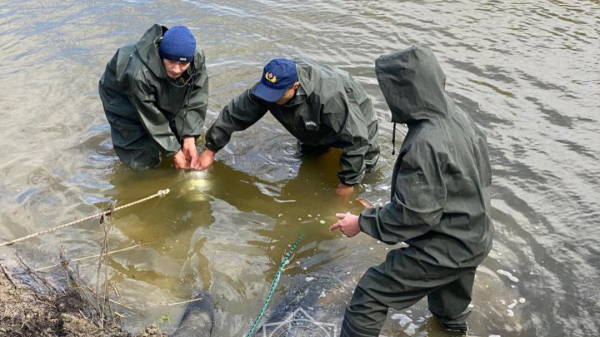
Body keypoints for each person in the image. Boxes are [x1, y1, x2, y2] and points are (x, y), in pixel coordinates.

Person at [330, 46, 494, 336]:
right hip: (475, 235)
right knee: (449, 308)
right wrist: (382, 211)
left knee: (371, 292)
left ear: (404, 91)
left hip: (446, 247)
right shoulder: (458, 116)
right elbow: (453, 187)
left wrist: (362, 222)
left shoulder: (425, 142)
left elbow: (416, 216)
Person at [196, 58, 379, 196]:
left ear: (295, 86)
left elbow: (357, 138)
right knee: (309, 164)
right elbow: (235, 113)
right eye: (266, 92)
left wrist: (347, 184)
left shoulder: (330, 98)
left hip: (356, 121)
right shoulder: (270, 88)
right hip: (311, 125)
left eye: (276, 94)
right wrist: (211, 148)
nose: (269, 98)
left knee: (363, 177)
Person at [99, 24, 209, 170]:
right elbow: (151, 118)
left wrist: (189, 136)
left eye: (183, 64)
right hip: (122, 92)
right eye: (171, 61)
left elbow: (196, 97)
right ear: (162, 55)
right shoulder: (139, 74)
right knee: (141, 156)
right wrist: (174, 152)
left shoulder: (196, 59)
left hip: (154, 82)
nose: (176, 69)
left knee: (180, 134)